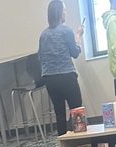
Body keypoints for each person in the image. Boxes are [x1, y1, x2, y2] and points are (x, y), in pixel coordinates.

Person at [38, 0, 85, 137]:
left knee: (59, 113)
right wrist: (78, 37)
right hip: (66, 76)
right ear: (59, 13)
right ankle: (78, 140)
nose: (66, 13)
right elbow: (75, 53)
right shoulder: (66, 31)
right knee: (76, 110)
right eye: (64, 10)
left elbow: (40, 57)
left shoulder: (43, 35)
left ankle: (64, 144)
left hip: (49, 79)